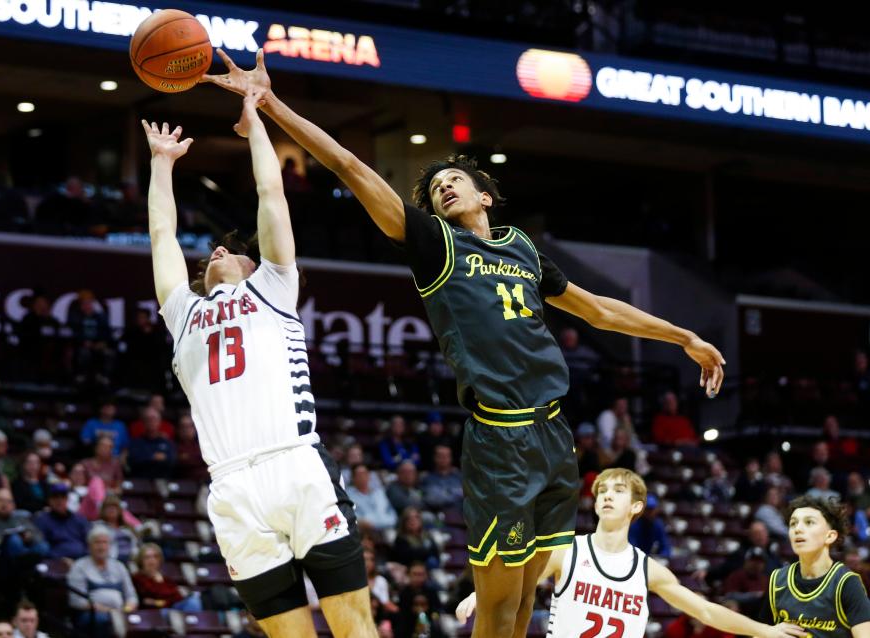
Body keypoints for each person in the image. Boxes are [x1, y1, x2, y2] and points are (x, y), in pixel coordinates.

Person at [203, 49, 727, 638]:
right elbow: (350, 164)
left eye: (456, 181)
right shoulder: (436, 245)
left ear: (486, 197)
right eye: (435, 189)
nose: (445, 187)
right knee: (498, 605)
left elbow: (600, 309)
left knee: (530, 598)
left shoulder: (523, 249)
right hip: (499, 440)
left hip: (554, 435)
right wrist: (272, 104)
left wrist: (684, 336)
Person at [144, 101, 373, 637]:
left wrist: (256, 131)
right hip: (231, 488)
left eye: (236, 250)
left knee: (354, 627)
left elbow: (271, 194)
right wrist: (161, 163)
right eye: (213, 253)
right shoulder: (183, 313)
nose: (220, 249)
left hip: (295, 467)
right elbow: (162, 237)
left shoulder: (273, 288)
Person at [456, 468, 806, 638]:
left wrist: (766, 631)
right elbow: (516, 582)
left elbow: (705, 610)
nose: (607, 496)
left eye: (618, 491)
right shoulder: (567, 552)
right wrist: (479, 595)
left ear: (636, 506)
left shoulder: (648, 570)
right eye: (602, 491)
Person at [765, 496, 870, 637]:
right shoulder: (777, 580)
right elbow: (759, 632)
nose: (798, 529)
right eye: (793, 524)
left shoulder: (846, 583)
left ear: (830, 536)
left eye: (809, 522)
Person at [67, 526, 138, 637]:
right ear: (89, 546)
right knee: (105, 620)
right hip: (91, 614)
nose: (101, 547)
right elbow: (77, 601)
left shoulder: (119, 566)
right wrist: (109, 611)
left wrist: (127, 608)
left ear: (109, 545)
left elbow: (131, 596)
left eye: (105, 542)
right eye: (97, 543)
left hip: (121, 612)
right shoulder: (79, 566)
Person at [132, 542, 203, 611]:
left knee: (193, 601)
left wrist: (163, 601)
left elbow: (177, 596)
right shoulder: (137, 578)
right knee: (165, 611)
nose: (152, 560)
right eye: (147, 557)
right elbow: (146, 601)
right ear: (141, 560)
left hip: (171, 608)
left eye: (155, 557)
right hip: (153, 612)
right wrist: (160, 585)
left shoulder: (165, 579)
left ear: (159, 559)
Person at [34, 482, 90, 559]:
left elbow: (89, 543)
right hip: (55, 562)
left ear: (67, 499)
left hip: (81, 561)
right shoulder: (42, 520)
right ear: (49, 500)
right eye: (55, 497)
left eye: (63, 497)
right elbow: (42, 548)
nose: (59, 500)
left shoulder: (79, 519)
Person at [346, 464, 397, 531]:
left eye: (365, 473)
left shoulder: (379, 492)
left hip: (387, 527)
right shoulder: (348, 494)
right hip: (364, 531)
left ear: (369, 475)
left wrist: (390, 522)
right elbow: (350, 515)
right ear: (353, 478)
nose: (362, 477)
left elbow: (391, 511)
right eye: (359, 474)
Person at [628, 494, 671, 558]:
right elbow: (632, 546)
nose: (649, 512)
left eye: (652, 509)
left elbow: (665, 546)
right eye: (647, 509)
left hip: (651, 557)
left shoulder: (658, 524)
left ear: (656, 510)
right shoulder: (634, 524)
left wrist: (662, 556)